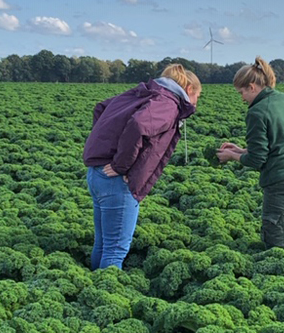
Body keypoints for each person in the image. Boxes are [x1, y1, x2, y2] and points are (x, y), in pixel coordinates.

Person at [83, 64, 201, 269]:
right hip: (116, 181)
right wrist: (121, 165)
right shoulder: (167, 103)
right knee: (115, 249)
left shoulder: (145, 92)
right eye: (198, 96)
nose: (197, 101)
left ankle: (94, 287)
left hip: (97, 174)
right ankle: (106, 296)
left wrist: (103, 150)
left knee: (103, 244)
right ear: (189, 90)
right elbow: (139, 125)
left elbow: (101, 108)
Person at [217, 57, 284, 252]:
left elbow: (258, 160)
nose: (242, 99)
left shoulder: (257, 112)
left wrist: (231, 157)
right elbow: (281, 145)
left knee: (280, 250)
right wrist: (239, 150)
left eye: (242, 93)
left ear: (252, 87)